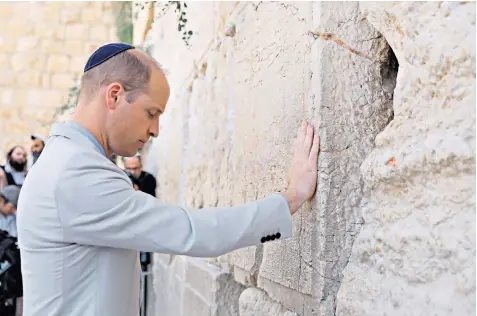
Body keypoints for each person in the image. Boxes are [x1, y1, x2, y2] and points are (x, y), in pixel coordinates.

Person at [16, 43, 320, 316]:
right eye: (152, 113)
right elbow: (189, 231)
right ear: (115, 95)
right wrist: (291, 197)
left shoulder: (67, 162)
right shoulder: (74, 173)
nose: (156, 130)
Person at [0, 185, 23, 316]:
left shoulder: (14, 217)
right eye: (12, 206)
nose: (13, 210)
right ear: (3, 201)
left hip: (9, 268)